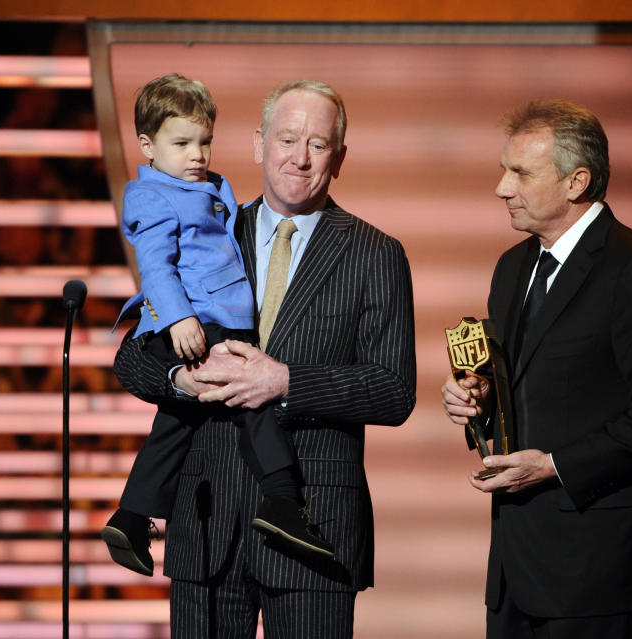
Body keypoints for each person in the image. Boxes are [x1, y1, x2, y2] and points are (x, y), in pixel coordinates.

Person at [113, 79, 416, 638]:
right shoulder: (209, 225)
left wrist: (286, 381)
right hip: (206, 525)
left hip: (312, 527)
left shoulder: (376, 254)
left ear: (340, 158)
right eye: (286, 139)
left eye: (318, 145)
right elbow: (133, 359)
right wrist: (184, 378)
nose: (300, 158)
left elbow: (393, 391)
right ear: (258, 145)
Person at [441, 99, 632, 639]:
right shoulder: (513, 267)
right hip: (516, 567)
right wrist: (479, 400)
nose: (501, 188)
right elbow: (531, 384)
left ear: (575, 181)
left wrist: (555, 465)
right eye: (502, 170)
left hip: (598, 570)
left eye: (520, 173)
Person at [102, 74, 332, 580]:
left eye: (204, 142)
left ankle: (133, 516)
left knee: (176, 421)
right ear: (147, 145)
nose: (197, 154)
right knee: (256, 403)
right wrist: (180, 317)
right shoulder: (153, 196)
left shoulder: (209, 187)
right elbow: (157, 266)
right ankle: (283, 500)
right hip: (202, 319)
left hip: (215, 313)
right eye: (181, 143)